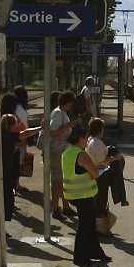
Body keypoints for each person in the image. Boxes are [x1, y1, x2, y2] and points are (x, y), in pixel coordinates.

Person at [0, 114, 42, 235]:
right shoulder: (8, 135)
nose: (17, 126)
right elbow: (25, 134)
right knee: (3, 199)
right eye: (15, 124)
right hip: (2, 172)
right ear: (9, 125)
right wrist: (40, 128)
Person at [61, 125, 111, 266]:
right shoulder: (81, 154)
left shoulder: (67, 151)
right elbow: (94, 173)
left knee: (89, 224)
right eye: (86, 138)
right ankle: (80, 257)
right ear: (80, 138)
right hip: (83, 194)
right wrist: (100, 168)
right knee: (85, 226)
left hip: (72, 194)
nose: (88, 140)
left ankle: (96, 252)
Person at [85, 117, 123, 236]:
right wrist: (115, 158)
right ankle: (99, 229)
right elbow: (104, 161)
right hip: (101, 174)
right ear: (100, 130)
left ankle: (95, 227)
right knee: (101, 202)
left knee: (95, 201)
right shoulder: (97, 143)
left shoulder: (89, 140)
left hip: (93, 172)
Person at [49, 91, 79, 220]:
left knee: (63, 180)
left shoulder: (62, 113)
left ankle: (65, 206)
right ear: (68, 103)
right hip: (56, 151)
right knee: (57, 180)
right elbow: (53, 132)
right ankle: (56, 208)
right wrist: (70, 125)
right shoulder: (57, 113)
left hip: (62, 151)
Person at [13, 85, 31, 193]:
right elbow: (23, 125)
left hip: (15, 137)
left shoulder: (14, 107)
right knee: (18, 162)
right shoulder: (21, 109)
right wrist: (25, 139)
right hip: (20, 137)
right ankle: (16, 184)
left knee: (16, 161)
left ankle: (16, 184)